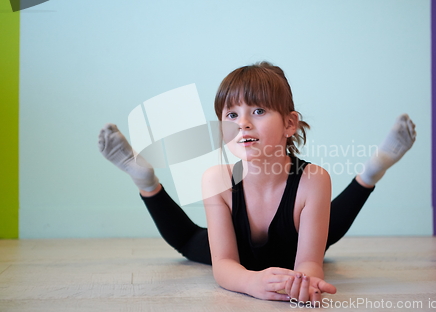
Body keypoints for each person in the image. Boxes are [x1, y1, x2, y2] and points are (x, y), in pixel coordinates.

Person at [98, 62, 416, 304]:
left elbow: (307, 262)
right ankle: (146, 181)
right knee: (190, 240)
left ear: (290, 124)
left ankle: (370, 173)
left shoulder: (313, 180)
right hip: (238, 254)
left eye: (259, 111)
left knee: (326, 233)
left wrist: (304, 282)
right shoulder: (217, 179)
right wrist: (252, 284)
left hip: (294, 245)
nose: (244, 123)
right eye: (231, 115)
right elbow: (223, 264)